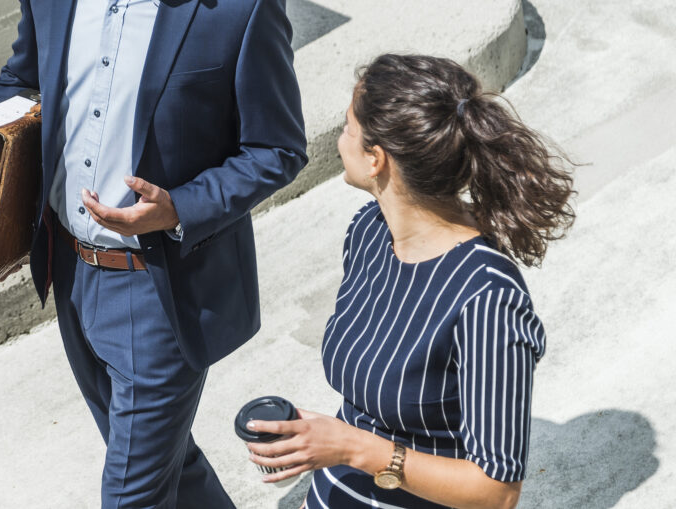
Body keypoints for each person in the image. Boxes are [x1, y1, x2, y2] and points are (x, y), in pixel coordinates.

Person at [0, 0, 307, 508]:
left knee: (131, 494)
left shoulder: (242, 2)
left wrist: (177, 209)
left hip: (162, 290)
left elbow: (279, 150)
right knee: (170, 470)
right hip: (70, 270)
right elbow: (24, 75)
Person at [246, 54, 574, 509]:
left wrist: (350, 448)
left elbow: (496, 492)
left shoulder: (487, 297)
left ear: (376, 159)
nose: (340, 141)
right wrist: (315, 441)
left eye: (347, 129)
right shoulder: (370, 231)